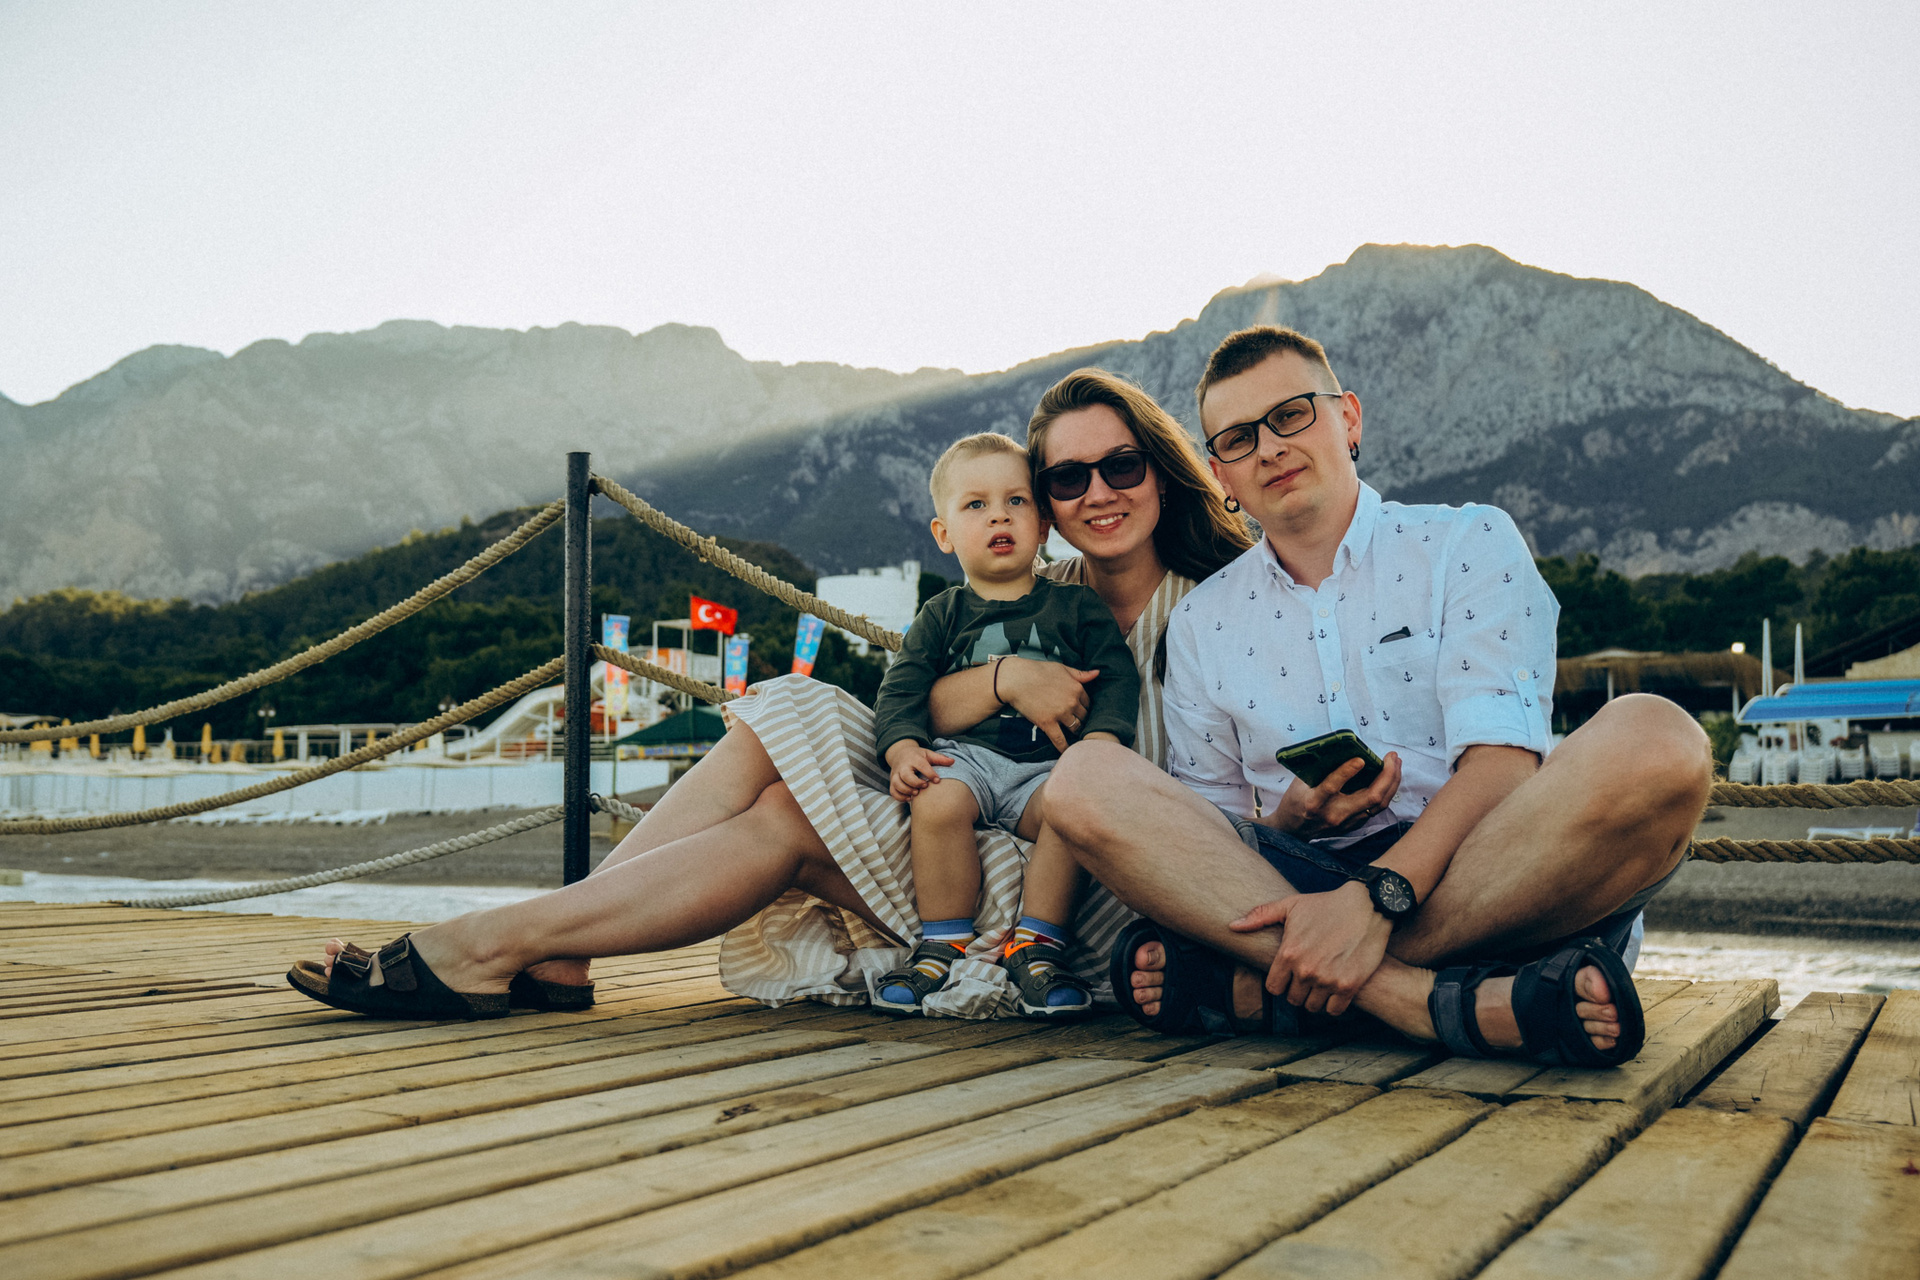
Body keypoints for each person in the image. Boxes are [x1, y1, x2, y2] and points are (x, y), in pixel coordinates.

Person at [287, 369, 1252, 1021]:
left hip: (1089, 905)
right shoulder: (1048, 594)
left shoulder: (1220, 609)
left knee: (790, 816)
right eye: (1068, 477)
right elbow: (917, 707)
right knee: (793, 704)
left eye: (1121, 466)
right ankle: (554, 940)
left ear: (1162, 471)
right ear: (1045, 504)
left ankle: (498, 943)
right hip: (972, 830)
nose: (1097, 492)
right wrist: (1005, 677)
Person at [1040, 326, 1713, 1067]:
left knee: (1660, 737)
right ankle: (1427, 1002)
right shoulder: (1203, 621)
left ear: (1349, 418)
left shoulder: (1467, 542)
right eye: (1238, 438)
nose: (1269, 448)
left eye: (1290, 415)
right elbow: (1213, 833)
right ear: (1218, 471)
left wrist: (1376, 899)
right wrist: (1290, 821)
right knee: (1082, 780)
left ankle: (1283, 992)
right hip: (1305, 877)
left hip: (1495, 873)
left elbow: (1503, 762)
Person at [872, 432, 1140, 1017]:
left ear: (1042, 525)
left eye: (1016, 501)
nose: (999, 515)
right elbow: (901, 690)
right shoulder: (941, 613)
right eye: (976, 504)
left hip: (1049, 769)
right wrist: (902, 749)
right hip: (966, 761)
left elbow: (1118, 679)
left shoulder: (1076, 606)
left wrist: (1098, 746)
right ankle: (942, 943)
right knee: (936, 799)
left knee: (1074, 810)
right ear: (944, 534)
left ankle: (1038, 947)